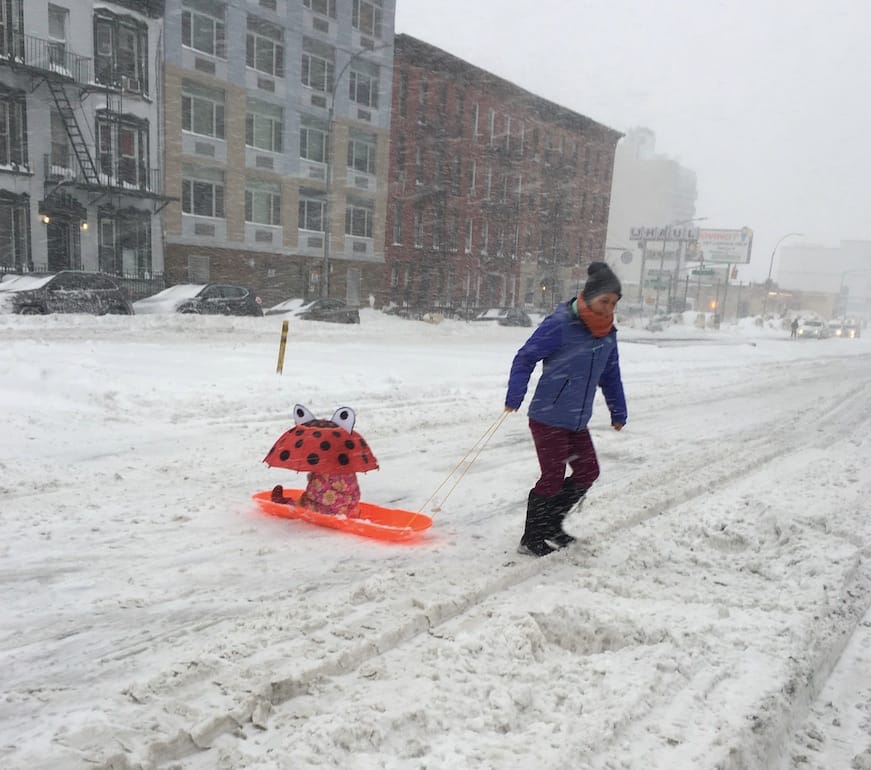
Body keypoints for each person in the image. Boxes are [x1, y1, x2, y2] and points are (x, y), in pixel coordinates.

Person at [504, 262, 628, 556]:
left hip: (576, 419)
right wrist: (515, 393)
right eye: (604, 301)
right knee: (552, 478)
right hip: (548, 416)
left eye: (614, 303)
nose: (609, 308)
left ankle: (551, 525)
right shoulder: (561, 324)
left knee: (588, 471)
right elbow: (525, 357)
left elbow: (611, 374)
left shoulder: (608, 333)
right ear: (589, 297)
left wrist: (618, 410)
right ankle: (531, 538)